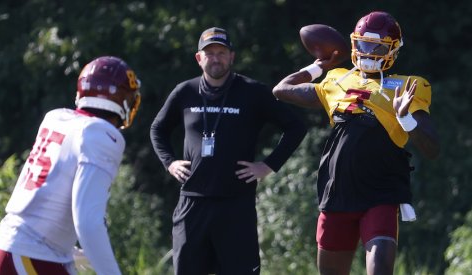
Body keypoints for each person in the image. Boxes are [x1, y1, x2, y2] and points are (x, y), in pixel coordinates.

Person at [272, 11, 440, 275]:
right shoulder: (336, 78)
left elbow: (431, 149)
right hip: (337, 192)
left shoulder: (408, 86)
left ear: (393, 50)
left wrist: (404, 117)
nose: (369, 52)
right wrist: (319, 65)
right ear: (353, 44)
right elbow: (281, 89)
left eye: (378, 47)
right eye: (364, 44)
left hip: (381, 192)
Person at [150, 27, 306, 275]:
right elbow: (157, 129)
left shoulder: (253, 91)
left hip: (236, 205)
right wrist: (169, 162)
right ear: (199, 58)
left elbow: (295, 127)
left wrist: (267, 166)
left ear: (231, 56)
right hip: (192, 203)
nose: (216, 58)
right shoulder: (185, 92)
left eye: (221, 52)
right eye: (209, 53)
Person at [0, 56, 142, 275]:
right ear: (122, 99)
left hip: (13, 248)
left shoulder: (57, 118)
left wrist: (65, 246)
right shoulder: (101, 135)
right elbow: (87, 222)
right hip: (31, 253)